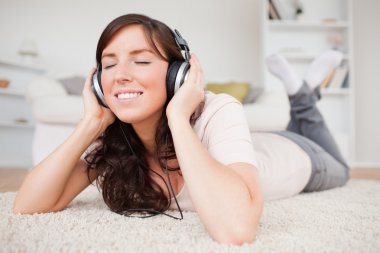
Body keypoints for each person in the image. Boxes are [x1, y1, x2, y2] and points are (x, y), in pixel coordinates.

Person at [13, 14, 349, 245]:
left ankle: (303, 97)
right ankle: (304, 93)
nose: (120, 75)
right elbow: (27, 206)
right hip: (255, 147)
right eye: (109, 64)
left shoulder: (219, 109)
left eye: (141, 60)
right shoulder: (113, 136)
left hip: (299, 156)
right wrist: (91, 123)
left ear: (180, 75)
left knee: (342, 167)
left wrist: (177, 117)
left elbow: (236, 230)